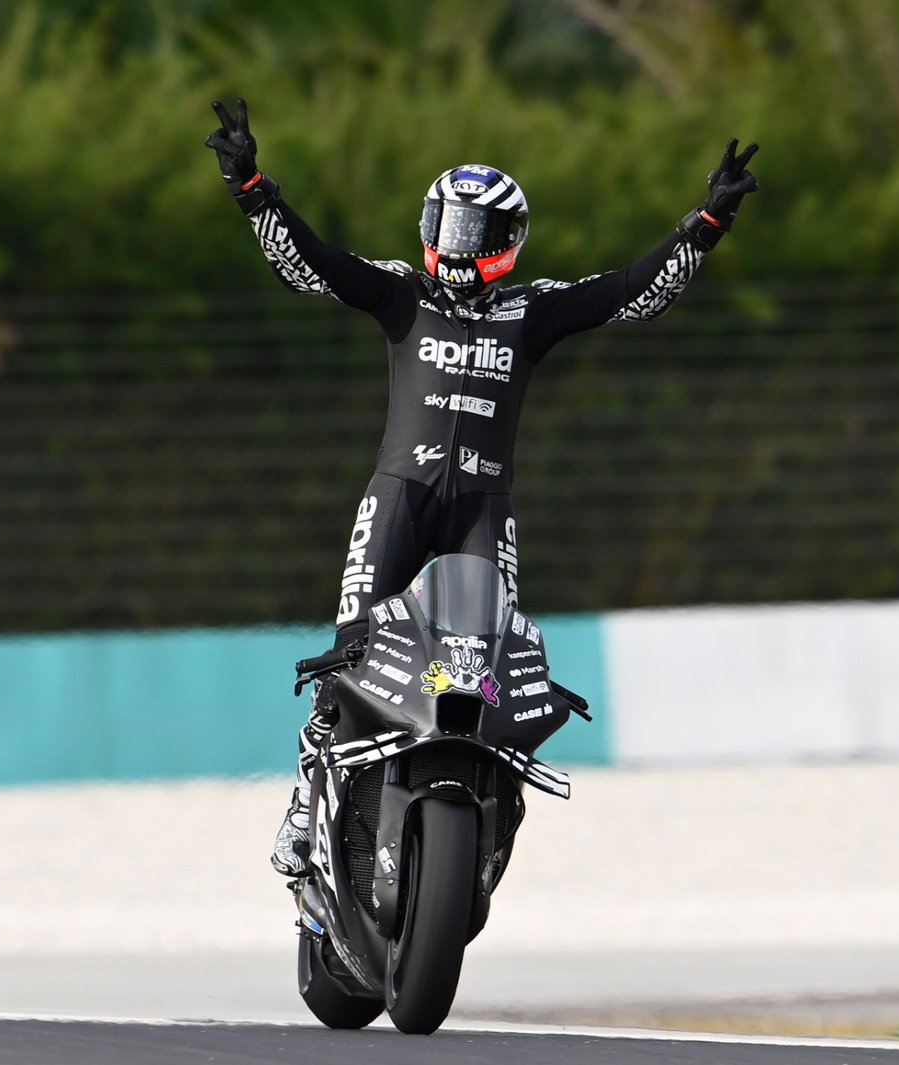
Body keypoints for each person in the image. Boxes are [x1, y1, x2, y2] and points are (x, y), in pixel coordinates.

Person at [204, 98, 758, 876]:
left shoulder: (533, 310)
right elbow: (310, 261)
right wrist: (252, 187)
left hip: (481, 514)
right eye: (449, 224)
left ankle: (483, 808)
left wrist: (705, 225)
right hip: (400, 497)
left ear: (508, 242)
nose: (457, 244)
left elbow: (635, 292)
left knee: (489, 661)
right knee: (345, 654)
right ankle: (304, 809)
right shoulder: (401, 291)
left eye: (475, 231)